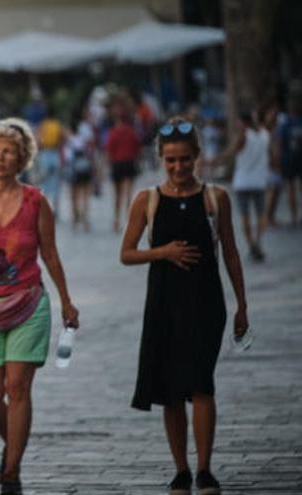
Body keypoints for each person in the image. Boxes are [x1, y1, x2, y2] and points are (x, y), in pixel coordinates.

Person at [120, 118, 249, 495]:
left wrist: (242, 305)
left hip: (205, 303)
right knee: (172, 391)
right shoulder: (147, 200)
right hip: (163, 303)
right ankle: (181, 469)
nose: (179, 168)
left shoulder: (215, 198)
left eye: (186, 159)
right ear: (161, 158)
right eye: (172, 160)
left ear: (197, 157)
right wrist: (163, 252)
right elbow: (126, 254)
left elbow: (231, 253)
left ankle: (205, 469)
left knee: (201, 384)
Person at [0, 117, 79, 495]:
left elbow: (51, 254)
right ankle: (15, 441)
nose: (0, 157)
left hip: (28, 302)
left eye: (8, 151)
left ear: (22, 157)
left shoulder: (37, 201)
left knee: (17, 386)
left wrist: (67, 302)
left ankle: (11, 472)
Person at [211, 112, 270, 261]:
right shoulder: (265, 135)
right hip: (260, 182)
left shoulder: (243, 136)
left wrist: (214, 161)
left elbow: (231, 152)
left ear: (243, 123)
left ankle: (252, 246)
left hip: (243, 182)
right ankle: (257, 242)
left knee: (245, 216)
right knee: (261, 215)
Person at [106, 103, 142, 233]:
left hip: (117, 164)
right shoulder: (132, 132)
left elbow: (108, 150)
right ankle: (129, 221)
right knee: (128, 194)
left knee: (117, 195)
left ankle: (116, 221)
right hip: (129, 163)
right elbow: (138, 148)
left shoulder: (113, 132)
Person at [65, 112, 95, 232]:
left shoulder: (69, 141)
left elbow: (67, 157)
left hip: (73, 170)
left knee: (73, 195)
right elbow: (90, 154)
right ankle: (85, 219)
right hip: (85, 169)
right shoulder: (83, 140)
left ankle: (75, 218)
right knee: (85, 195)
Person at [35, 108, 65, 219]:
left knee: (44, 184)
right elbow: (62, 140)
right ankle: (56, 209)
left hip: (45, 154)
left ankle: (44, 209)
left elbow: (37, 141)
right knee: (56, 184)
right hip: (55, 154)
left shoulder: (42, 125)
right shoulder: (58, 125)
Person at [277, 98, 302, 226]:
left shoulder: (285, 124)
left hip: (288, 159)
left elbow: (280, 143)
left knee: (291, 188)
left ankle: (294, 217)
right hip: (299, 158)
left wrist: (279, 160)